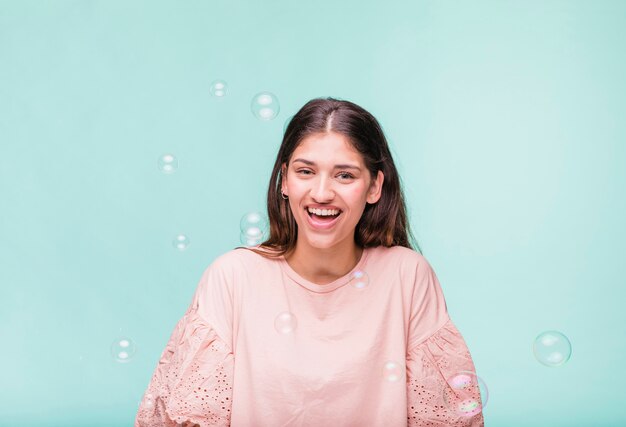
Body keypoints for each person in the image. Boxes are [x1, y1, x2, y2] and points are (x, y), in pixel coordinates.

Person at [135, 97, 484, 426]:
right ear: (284, 180)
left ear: (375, 186)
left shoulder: (407, 276)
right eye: (305, 172)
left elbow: (444, 417)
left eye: (344, 175)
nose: (321, 193)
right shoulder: (232, 278)